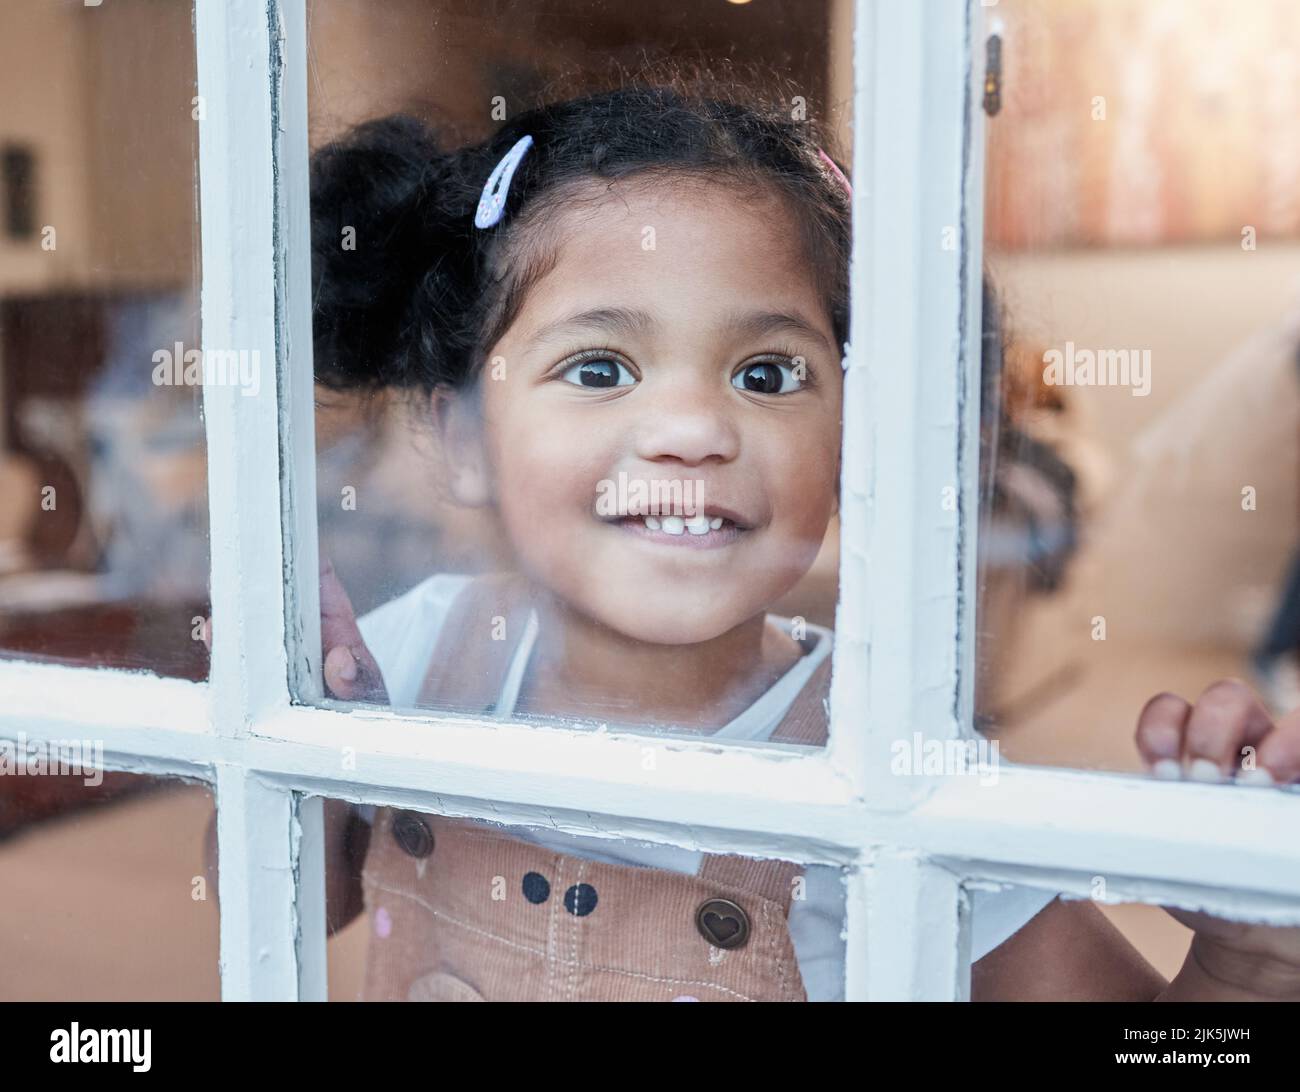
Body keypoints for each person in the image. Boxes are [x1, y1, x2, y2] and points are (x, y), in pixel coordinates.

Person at [253, 76, 1300, 1001]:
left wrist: (1248, 971)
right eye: (599, 368)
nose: (693, 430)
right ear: (463, 439)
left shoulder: (891, 754)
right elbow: (281, 899)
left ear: (854, 445)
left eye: (766, 374)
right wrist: (311, 762)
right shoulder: (410, 655)